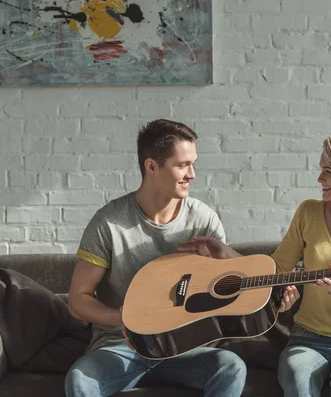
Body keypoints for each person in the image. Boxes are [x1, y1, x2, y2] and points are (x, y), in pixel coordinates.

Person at [177, 133, 331, 397]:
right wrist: (227, 254)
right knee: (297, 371)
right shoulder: (309, 213)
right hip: (308, 339)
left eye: (328, 172)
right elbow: (277, 268)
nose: (320, 179)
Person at [64, 119, 247, 397]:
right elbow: (78, 300)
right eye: (182, 165)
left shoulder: (203, 219)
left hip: (187, 348)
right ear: (151, 167)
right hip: (122, 347)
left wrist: (229, 257)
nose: (192, 174)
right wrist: (125, 320)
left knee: (231, 367)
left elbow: (232, 288)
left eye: (193, 163)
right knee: (80, 380)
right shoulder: (109, 223)